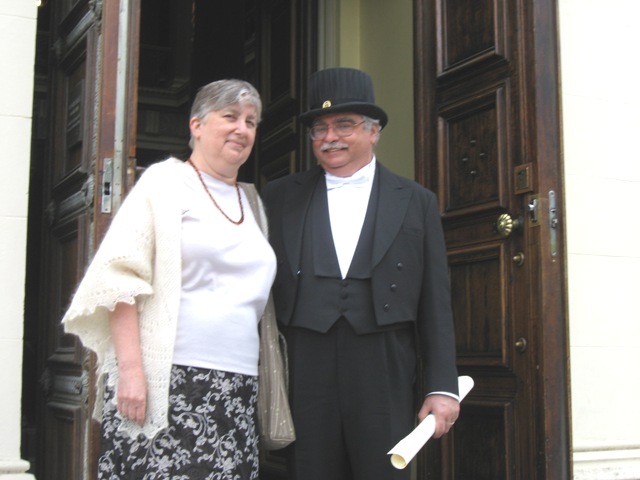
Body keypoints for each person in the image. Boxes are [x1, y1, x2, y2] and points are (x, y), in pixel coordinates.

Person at [62, 79, 275, 479]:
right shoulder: (164, 183)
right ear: (196, 125)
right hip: (168, 381)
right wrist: (130, 370)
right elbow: (119, 278)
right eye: (229, 117)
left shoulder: (252, 201)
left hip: (235, 388)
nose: (242, 129)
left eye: (251, 121)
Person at [262, 67, 460, 480]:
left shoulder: (417, 201)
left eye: (344, 125)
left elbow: (435, 299)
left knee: (382, 471)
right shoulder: (279, 196)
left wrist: (443, 386)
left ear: (374, 132)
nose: (330, 137)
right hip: (305, 358)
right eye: (320, 128)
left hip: (384, 359)